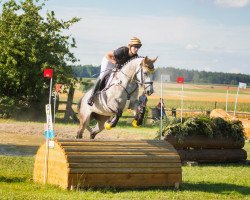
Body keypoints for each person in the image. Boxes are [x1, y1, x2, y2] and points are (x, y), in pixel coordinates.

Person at [87, 37, 142, 106]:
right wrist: (115, 63)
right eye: (135, 47)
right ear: (130, 46)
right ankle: (92, 96)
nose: (137, 49)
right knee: (103, 75)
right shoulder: (123, 50)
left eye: (138, 47)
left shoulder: (135, 56)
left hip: (118, 65)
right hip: (109, 60)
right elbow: (107, 55)